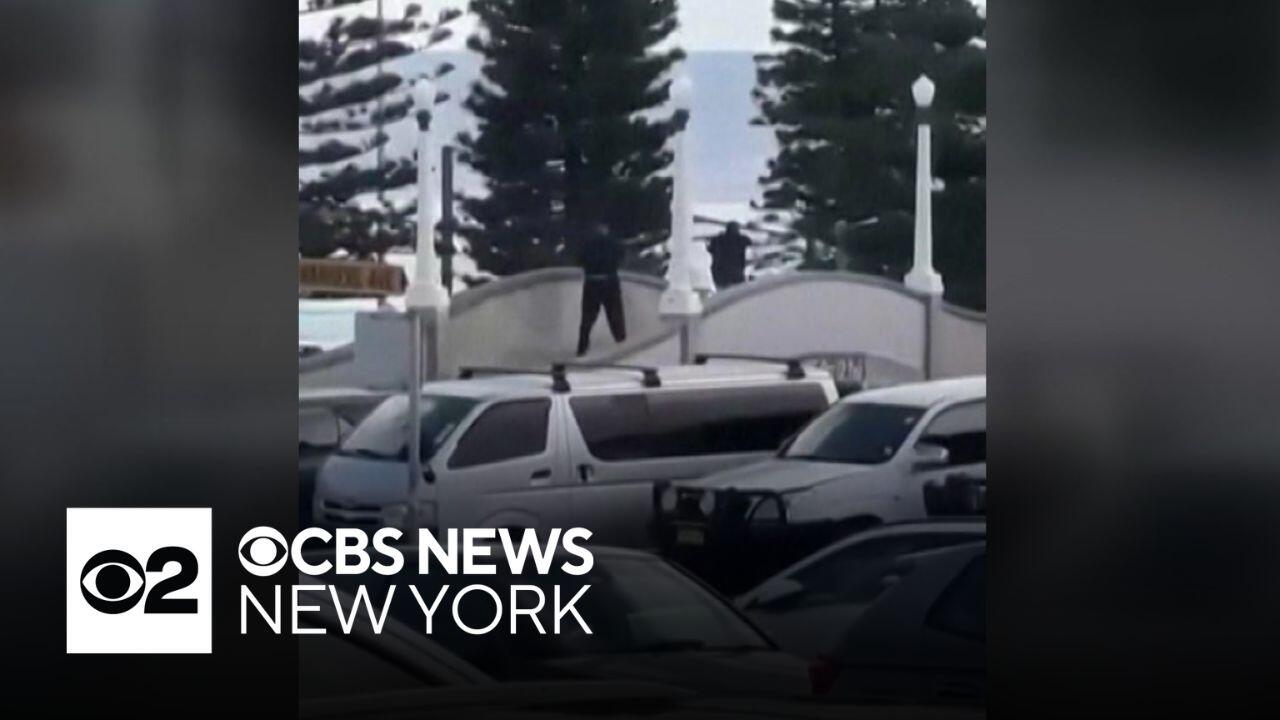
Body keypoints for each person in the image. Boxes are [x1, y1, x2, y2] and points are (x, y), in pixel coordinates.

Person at [576, 224, 627, 356]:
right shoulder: (613, 243)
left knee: (587, 318)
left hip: (592, 281)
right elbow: (621, 256)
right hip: (609, 281)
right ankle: (622, 344)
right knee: (615, 315)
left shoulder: (587, 244)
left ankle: (582, 347)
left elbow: (579, 259)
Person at [708, 221, 751, 288]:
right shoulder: (741, 239)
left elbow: (710, 249)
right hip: (736, 273)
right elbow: (749, 242)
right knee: (739, 291)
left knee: (723, 291)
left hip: (719, 273)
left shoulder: (717, 240)